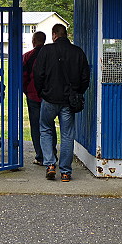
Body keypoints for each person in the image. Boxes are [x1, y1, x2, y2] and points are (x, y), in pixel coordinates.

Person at [33, 24, 89, 182]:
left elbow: (38, 74)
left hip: (49, 98)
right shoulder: (78, 52)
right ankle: (65, 172)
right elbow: (85, 78)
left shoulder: (46, 50)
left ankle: (50, 164)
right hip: (68, 101)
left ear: (54, 35)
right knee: (67, 135)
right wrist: (77, 94)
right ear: (65, 34)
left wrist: (42, 92)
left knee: (45, 130)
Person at [22, 31, 49, 166]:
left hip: (33, 95)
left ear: (33, 41)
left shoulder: (27, 56)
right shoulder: (50, 55)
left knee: (35, 126)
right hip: (49, 95)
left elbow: (23, 76)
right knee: (48, 126)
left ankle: (40, 156)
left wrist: (26, 91)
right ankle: (51, 153)